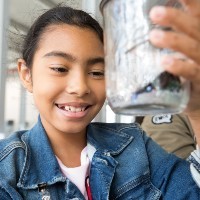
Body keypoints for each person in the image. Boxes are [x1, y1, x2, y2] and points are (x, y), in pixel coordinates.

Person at [0, 1, 200, 199]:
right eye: (60, 69)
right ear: (26, 74)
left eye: (97, 72)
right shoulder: (6, 170)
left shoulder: (135, 145)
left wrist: (197, 112)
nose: (80, 87)